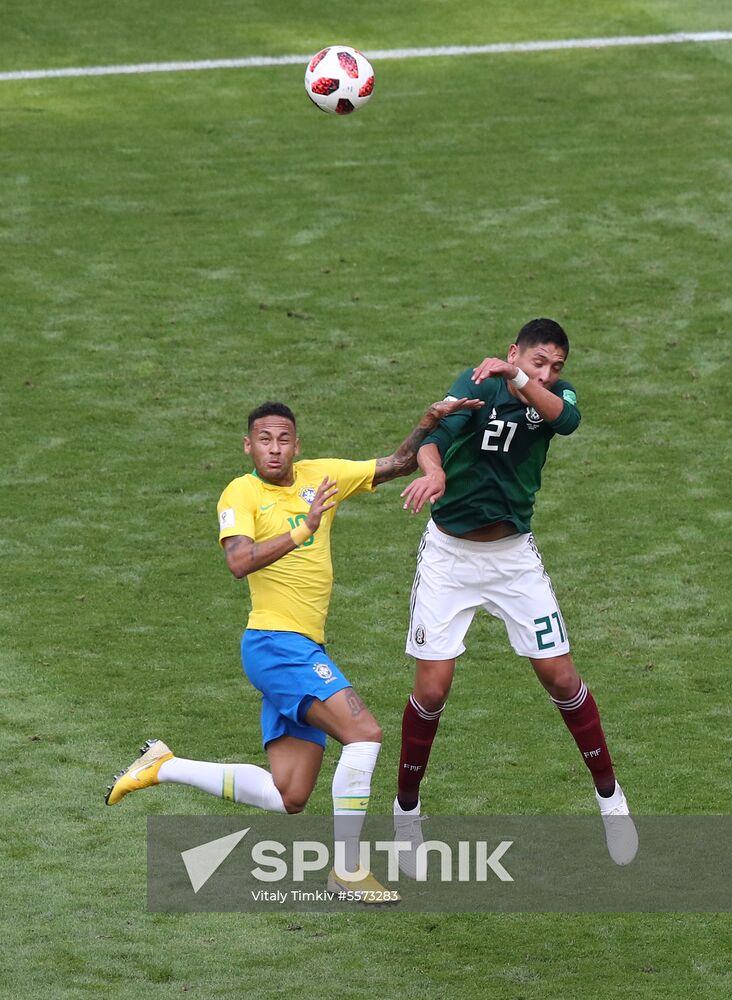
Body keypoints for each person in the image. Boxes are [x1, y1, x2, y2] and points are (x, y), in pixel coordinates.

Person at [105, 395, 481, 901]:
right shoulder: (239, 494)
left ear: (296, 444)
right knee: (365, 734)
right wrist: (301, 528)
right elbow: (238, 562)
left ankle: (162, 766)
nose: (275, 449)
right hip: (275, 645)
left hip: (301, 646)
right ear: (248, 446)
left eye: (284, 439)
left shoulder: (320, 476)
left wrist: (430, 421)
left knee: (291, 795)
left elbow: (397, 463)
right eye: (264, 440)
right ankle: (347, 871)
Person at [393, 318, 638, 871]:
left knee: (561, 677)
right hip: (450, 559)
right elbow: (435, 439)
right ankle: (406, 810)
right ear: (514, 352)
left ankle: (611, 801)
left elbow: (568, 421)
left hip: (512, 559)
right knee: (431, 691)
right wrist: (433, 473)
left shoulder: (553, 397)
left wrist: (524, 381)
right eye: (539, 362)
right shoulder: (476, 384)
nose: (549, 374)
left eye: (556, 367)